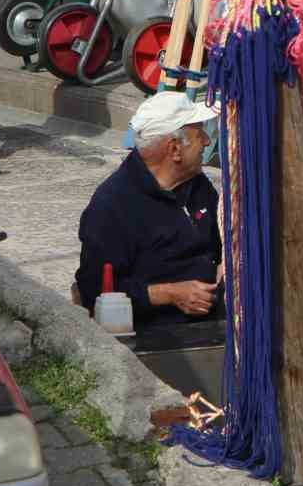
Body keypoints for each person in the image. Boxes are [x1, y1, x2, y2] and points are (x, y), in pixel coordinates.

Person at [75, 92, 223, 329]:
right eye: (200, 134)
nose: (206, 141)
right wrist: (170, 294)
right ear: (174, 149)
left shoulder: (197, 184)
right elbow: (93, 290)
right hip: (159, 335)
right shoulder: (112, 207)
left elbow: (221, 241)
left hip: (216, 320)